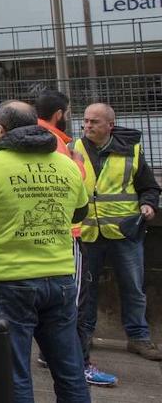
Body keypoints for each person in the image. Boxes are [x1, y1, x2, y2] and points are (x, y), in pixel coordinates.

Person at [0, 100, 90, 403]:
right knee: (70, 368)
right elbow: (79, 213)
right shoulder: (66, 165)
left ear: (0, 129)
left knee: (14, 373)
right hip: (60, 278)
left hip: (11, 280)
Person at [33, 90, 114, 385]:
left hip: (45, 232)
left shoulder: (36, 137)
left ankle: (49, 353)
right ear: (59, 114)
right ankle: (81, 364)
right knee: (75, 302)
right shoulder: (58, 143)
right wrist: (78, 161)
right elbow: (69, 183)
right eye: (70, 113)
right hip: (67, 233)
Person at [72, 103, 162, 368]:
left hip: (125, 231)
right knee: (85, 290)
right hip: (87, 231)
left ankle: (138, 337)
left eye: (94, 122)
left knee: (133, 286)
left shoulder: (131, 150)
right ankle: (83, 336)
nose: (88, 126)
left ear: (110, 125)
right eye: (86, 121)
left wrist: (148, 204)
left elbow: (148, 186)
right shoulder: (73, 149)